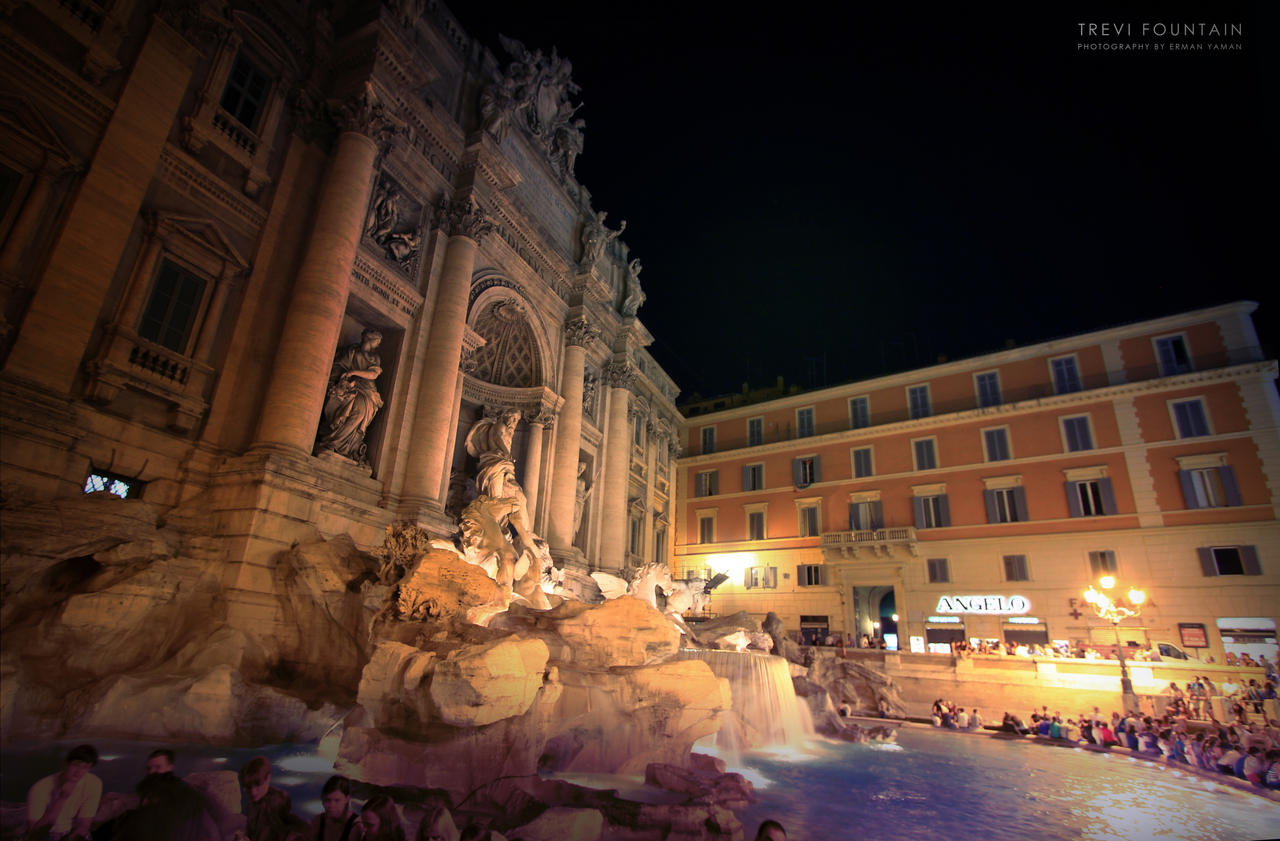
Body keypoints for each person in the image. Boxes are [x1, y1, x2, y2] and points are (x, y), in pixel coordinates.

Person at [316, 329, 384, 464]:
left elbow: (373, 374)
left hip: (367, 391)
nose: (377, 345)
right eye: (377, 342)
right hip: (350, 387)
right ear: (370, 340)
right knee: (352, 409)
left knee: (361, 413)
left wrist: (354, 372)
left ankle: (344, 445)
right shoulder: (351, 351)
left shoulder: (374, 358)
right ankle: (334, 442)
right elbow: (338, 365)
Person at [26, 744, 102, 841]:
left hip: (72, 833)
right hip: (46, 834)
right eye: (76, 765)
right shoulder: (40, 788)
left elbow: (84, 823)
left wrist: (73, 837)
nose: (78, 772)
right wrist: (62, 798)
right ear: (66, 763)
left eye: (85, 767)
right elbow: (35, 833)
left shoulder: (94, 783)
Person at [234, 756, 306, 841]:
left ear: (268, 778)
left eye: (258, 785)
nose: (253, 792)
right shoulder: (251, 805)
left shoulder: (277, 802)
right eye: (248, 787)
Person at [309, 776, 362, 841]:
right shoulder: (318, 822)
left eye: (337, 800)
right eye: (327, 800)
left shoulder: (357, 826)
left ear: (347, 799)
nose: (331, 805)